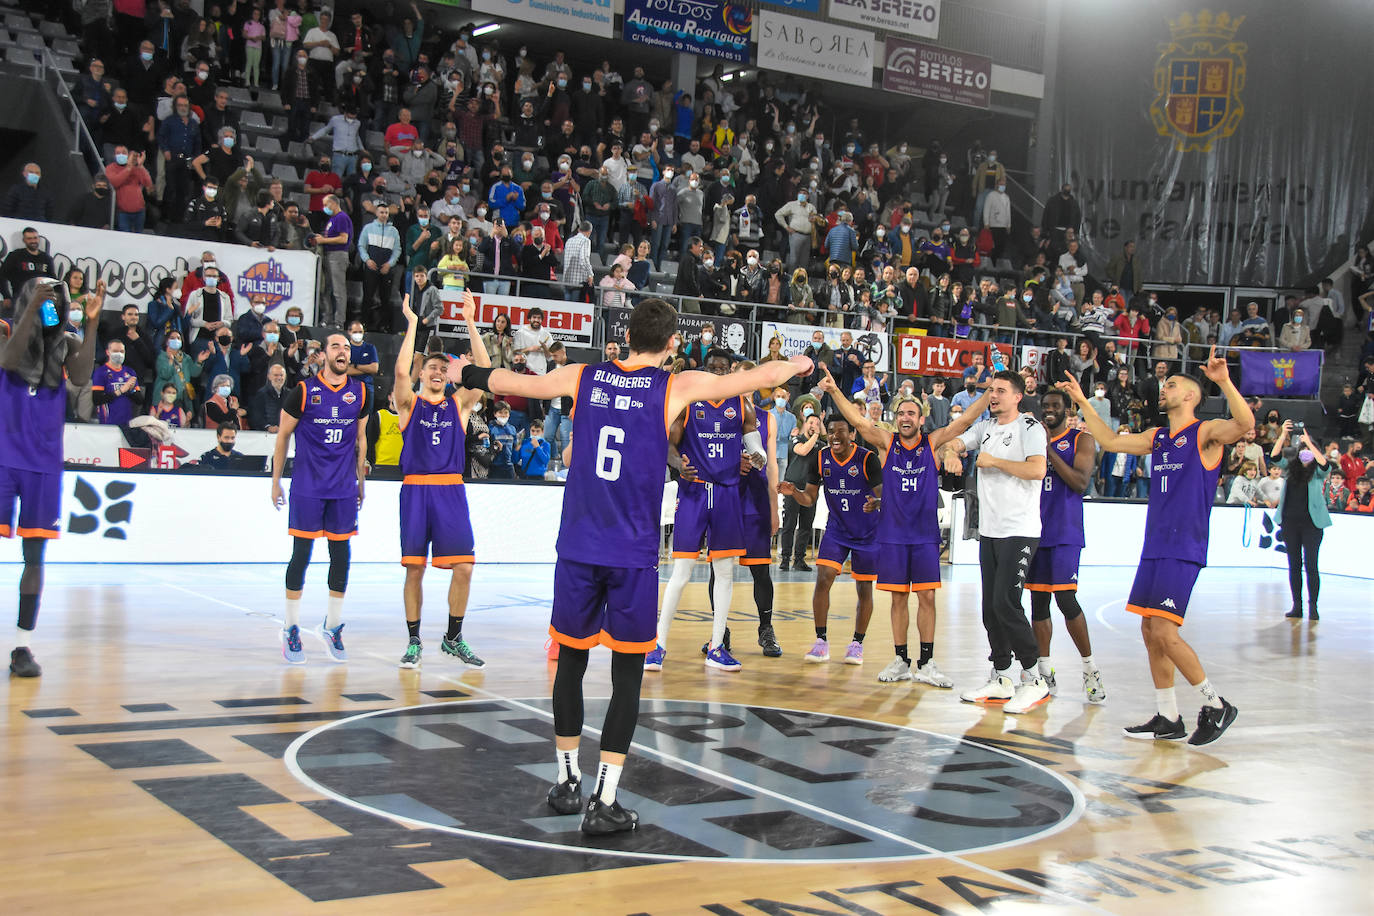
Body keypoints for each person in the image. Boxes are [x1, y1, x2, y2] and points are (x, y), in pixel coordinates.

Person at [452, 297, 810, 835]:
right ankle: (605, 799)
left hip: (577, 545)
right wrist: (802, 367)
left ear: (624, 336)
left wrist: (472, 371)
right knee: (626, 678)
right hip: (632, 552)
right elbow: (759, 377)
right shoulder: (675, 386)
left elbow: (514, 384)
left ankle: (567, 781)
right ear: (671, 345)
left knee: (570, 663)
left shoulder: (583, 375)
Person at [1057, 348, 1251, 745]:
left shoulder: (1206, 433)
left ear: (1192, 396)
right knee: (1149, 629)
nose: (1165, 389)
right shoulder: (1158, 437)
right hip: (1155, 546)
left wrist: (1224, 382)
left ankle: (1216, 704)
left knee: (1164, 631)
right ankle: (1169, 716)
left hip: (1185, 546)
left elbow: (1244, 423)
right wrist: (1080, 401)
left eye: (1173, 385)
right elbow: (1109, 441)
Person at [822, 366, 988, 688]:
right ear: (896, 418)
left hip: (925, 536)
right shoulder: (886, 443)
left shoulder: (934, 443)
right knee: (898, 600)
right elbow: (857, 421)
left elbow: (965, 421)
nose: (906, 418)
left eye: (912, 413)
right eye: (902, 414)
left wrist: (990, 390)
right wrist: (833, 391)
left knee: (927, 598)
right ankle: (901, 659)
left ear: (921, 419)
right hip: (893, 536)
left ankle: (926, 662)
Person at [0, 278, 103, 676]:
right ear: (26, 299)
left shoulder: (68, 343)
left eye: (56, 299)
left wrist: (91, 324)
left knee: (35, 556)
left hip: (44, 463)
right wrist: (29, 309)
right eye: (43, 297)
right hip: (4, 458)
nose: (51, 305)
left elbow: (80, 376)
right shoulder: (7, 331)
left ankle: (22, 648)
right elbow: (9, 361)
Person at [650, 349, 768, 673]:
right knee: (682, 572)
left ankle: (717, 647)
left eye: (722, 368)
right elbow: (669, 446)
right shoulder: (689, 402)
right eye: (712, 367)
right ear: (704, 369)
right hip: (694, 491)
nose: (717, 372)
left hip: (728, 493)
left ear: (730, 371)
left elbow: (755, 443)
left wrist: (759, 457)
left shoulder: (741, 404)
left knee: (726, 571)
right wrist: (678, 464)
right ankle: (657, 645)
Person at [394, 290, 488, 669]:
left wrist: (470, 321)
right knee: (414, 568)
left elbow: (483, 373)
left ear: (447, 374)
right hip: (416, 489)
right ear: (422, 372)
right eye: (430, 366)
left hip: (450, 489)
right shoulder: (408, 403)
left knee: (464, 566)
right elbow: (401, 373)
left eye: (441, 367)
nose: (436, 371)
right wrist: (414, 324)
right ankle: (414, 640)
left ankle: (453, 637)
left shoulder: (459, 404)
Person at [954, 370, 1054, 714]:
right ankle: (1000, 676)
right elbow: (957, 441)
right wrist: (951, 451)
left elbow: (1037, 470)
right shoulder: (985, 427)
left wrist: (994, 461)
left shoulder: (1030, 428)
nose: (992, 395)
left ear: (1017, 396)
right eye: (990, 390)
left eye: (999, 391)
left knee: (1006, 604)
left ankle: (1034, 678)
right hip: (991, 531)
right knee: (990, 609)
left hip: (1020, 530)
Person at [270, 332, 368, 664]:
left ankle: (333, 625)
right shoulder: (303, 392)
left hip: (342, 488)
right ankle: (291, 627)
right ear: (323, 354)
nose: (343, 350)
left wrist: (361, 481)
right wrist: (275, 482)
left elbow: (361, 441)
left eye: (347, 346)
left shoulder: (360, 391)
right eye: (336, 346)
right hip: (308, 487)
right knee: (302, 555)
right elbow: (282, 437)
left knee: (341, 556)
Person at [780, 414, 882, 666]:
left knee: (864, 588)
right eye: (832, 431)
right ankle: (821, 642)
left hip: (868, 532)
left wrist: (878, 503)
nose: (836, 436)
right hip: (837, 529)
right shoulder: (820, 458)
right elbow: (810, 498)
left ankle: (857, 643)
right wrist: (794, 492)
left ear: (852, 435)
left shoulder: (867, 459)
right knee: (823, 577)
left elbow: (884, 496)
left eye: (841, 431)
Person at [1030, 390, 1106, 703]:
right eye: (1045, 406)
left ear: (1067, 409)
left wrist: (1048, 451)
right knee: (1037, 603)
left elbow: (1079, 483)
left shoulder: (1081, 440)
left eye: (1055, 406)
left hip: (1065, 532)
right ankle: (1044, 671)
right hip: (1034, 531)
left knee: (1065, 599)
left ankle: (1090, 668)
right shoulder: (1032, 439)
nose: (1049, 410)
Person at [1270, 421, 1331, 620]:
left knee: (1311, 565)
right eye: (1302, 449)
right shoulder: (1290, 468)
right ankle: (1297, 605)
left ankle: (1313, 607)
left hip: (1312, 525)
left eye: (1309, 450)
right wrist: (1282, 435)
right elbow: (1275, 457)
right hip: (1289, 522)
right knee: (1294, 565)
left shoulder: (1318, 473)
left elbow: (1325, 465)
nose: (1305, 453)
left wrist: (1310, 442)